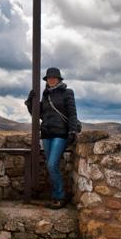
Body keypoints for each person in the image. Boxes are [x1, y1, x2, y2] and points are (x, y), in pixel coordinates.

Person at [24, 67, 79, 209]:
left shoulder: (67, 93)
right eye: (49, 78)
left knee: (52, 165)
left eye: (54, 78)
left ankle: (60, 196)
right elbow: (38, 114)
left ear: (59, 79)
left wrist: (72, 130)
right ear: (47, 80)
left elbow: (72, 114)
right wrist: (31, 101)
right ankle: (56, 197)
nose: (51, 80)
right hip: (47, 134)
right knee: (51, 166)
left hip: (60, 134)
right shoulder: (45, 94)